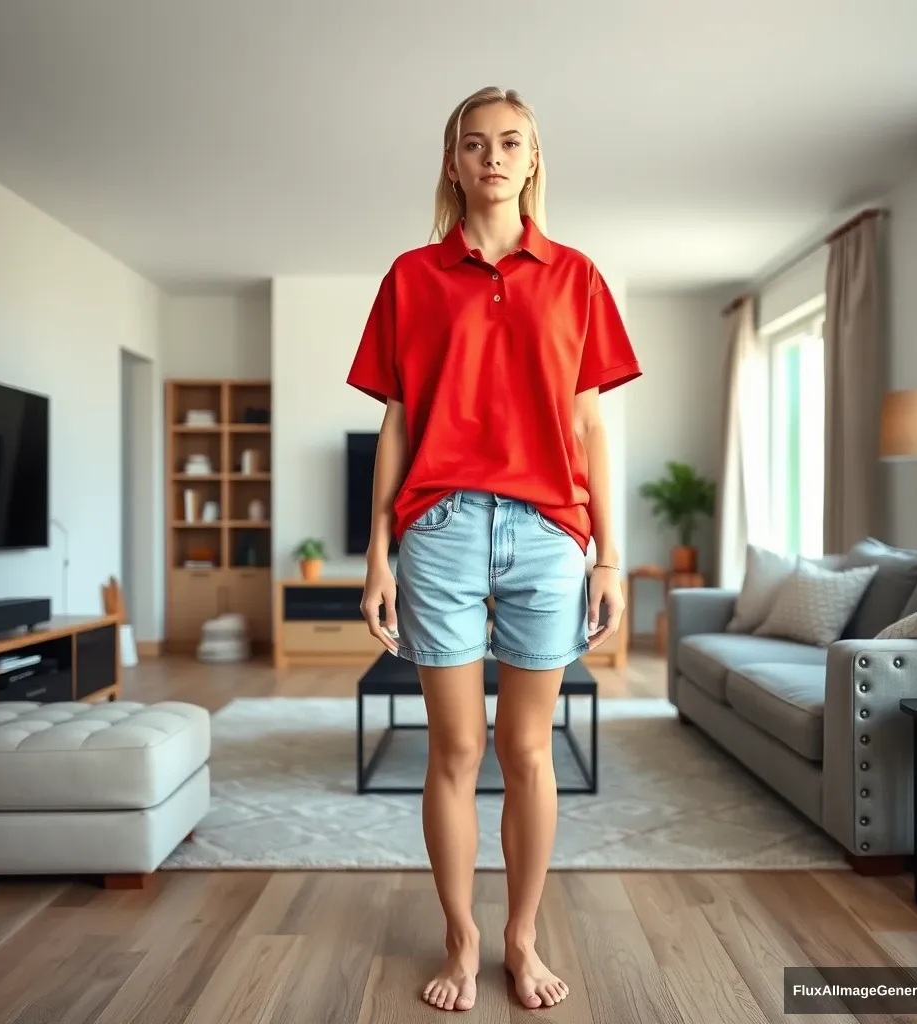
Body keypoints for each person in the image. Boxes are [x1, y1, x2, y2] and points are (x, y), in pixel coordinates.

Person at [346, 86, 641, 1012]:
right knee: (455, 747)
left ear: (534, 157)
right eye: (474, 144)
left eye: (511, 142)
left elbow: (591, 425)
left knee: (527, 748)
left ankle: (521, 934)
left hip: (552, 532)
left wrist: (609, 555)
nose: (493, 157)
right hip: (436, 529)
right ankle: (461, 936)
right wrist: (377, 553)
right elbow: (396, 422)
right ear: (452, 162)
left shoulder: (577, 276)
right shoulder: (410, 276)